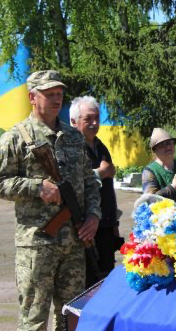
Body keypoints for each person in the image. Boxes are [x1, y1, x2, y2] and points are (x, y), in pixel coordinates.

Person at [0, 70, 101, 331]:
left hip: (74, 241)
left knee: (71, 317)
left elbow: (89, 181)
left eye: (59, 94)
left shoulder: (74, 137)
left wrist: (94, 215)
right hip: (37, 244)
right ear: (32, 97)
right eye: (49, 94)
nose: (56, 99)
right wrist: (37, 187)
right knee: (34, 319)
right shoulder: (16, 137)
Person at [70, 96, 124, 288]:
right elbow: (71, 182)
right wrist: (100, 173)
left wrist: (114, 222)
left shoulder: (100, 146)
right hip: (85, 227)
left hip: (106, 226)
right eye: (88, 119)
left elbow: (109, 191)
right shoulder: (71, 148)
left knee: (106, 281)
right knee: (87, 284)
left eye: (97, 118)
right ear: (74, 121)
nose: (94, 123)